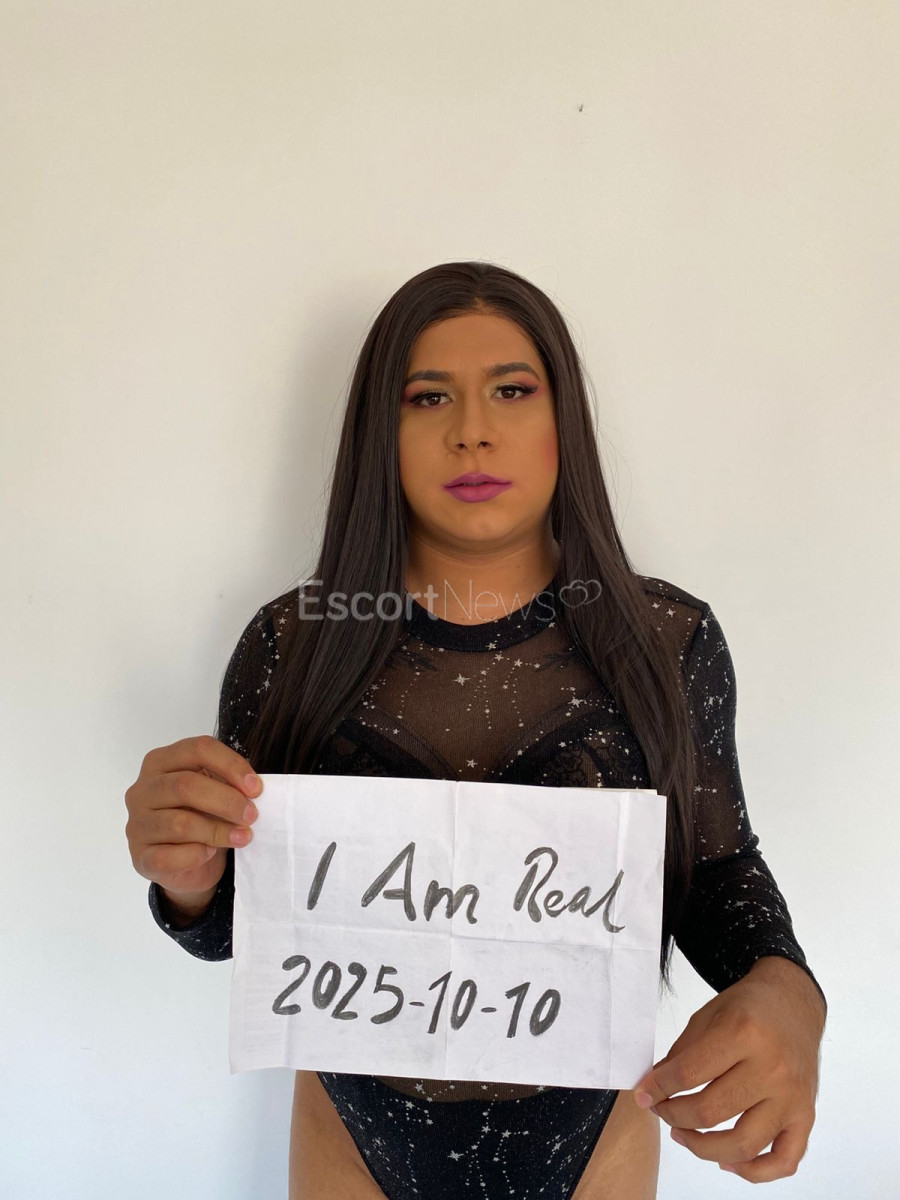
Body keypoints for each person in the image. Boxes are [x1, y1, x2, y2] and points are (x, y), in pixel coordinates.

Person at [125, 261, 827, 1199]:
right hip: (348, 1143)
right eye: (427, 397)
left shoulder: (668, 642)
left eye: (512, 389)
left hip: (601, 1143)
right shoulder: (290, 646)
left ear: (564, 418)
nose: (471, 429)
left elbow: (716, 868)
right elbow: (242, 931)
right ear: (380, 432)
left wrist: (788, 988)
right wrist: (188, 881)